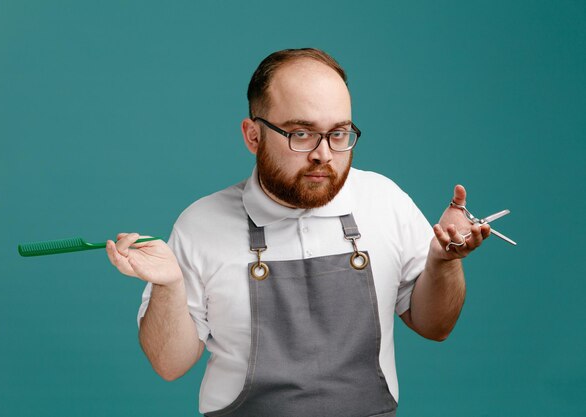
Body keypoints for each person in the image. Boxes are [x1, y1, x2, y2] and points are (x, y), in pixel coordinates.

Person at [106, 48, 491, 417]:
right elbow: (168, 365)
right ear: (253, 135)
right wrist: (168, 285)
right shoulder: (201, 224)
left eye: (338, 134)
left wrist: (443, 262)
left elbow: (435, 327)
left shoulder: (384, 201)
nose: (324, 153)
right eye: (302, 134)